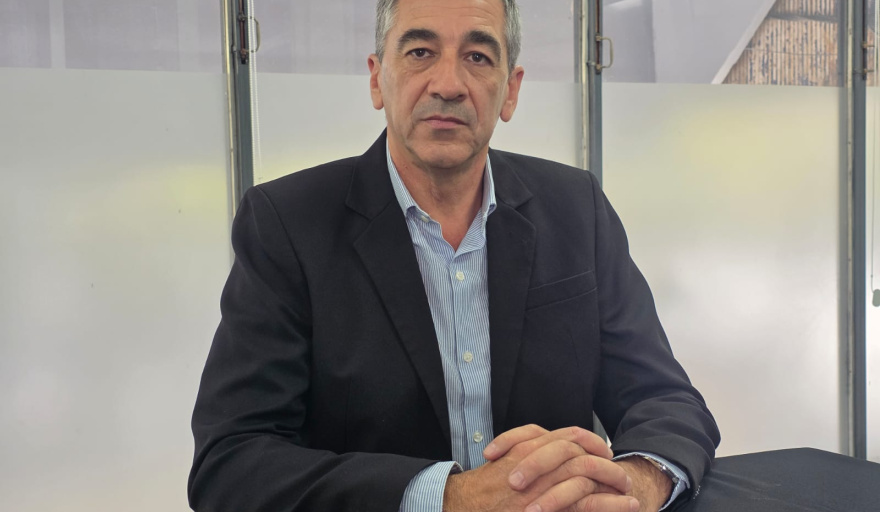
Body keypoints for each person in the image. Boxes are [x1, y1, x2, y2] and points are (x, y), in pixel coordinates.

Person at [188, 0, 720, 511]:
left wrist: (636, 483)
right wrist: (451, 499)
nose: (448, 84)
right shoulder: (287, 223)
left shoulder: (576, 208)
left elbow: (664, 399)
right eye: (420, 52)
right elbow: (231, 461)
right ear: (377, 78)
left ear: (510, 90)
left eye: (478, 56)